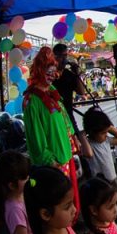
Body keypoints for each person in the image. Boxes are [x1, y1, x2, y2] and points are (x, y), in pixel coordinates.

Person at [23, 47, 80, 218]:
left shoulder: (51, 91)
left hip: (65, 155)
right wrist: (51, 162)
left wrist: (74, 137)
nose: (53, 76)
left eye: (54, 72)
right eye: (49, 72)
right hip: (54, 163)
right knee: (59, 207)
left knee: (70, 204)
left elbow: (64, 117)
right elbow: (35, 138)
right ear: (40, 71)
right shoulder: (32, 100)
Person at [52, 43, 91, 158]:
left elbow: (81, 92)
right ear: (54, 57)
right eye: (61, 56)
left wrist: (76, 74)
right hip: (54, 116)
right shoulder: (50, 74)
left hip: (68, 115)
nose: (64, 59)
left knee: (78, 147)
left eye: (66, 56)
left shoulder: (68, 74)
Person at [82, 107, 117, 185]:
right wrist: (82, 137)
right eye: (103, 133)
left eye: (107, 132)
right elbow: (89, 154)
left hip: (112, 179)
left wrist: (110, 127)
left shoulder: (106, 140)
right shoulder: (87, 143)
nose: (106, 135)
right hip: (99, 183)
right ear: (92, 132)